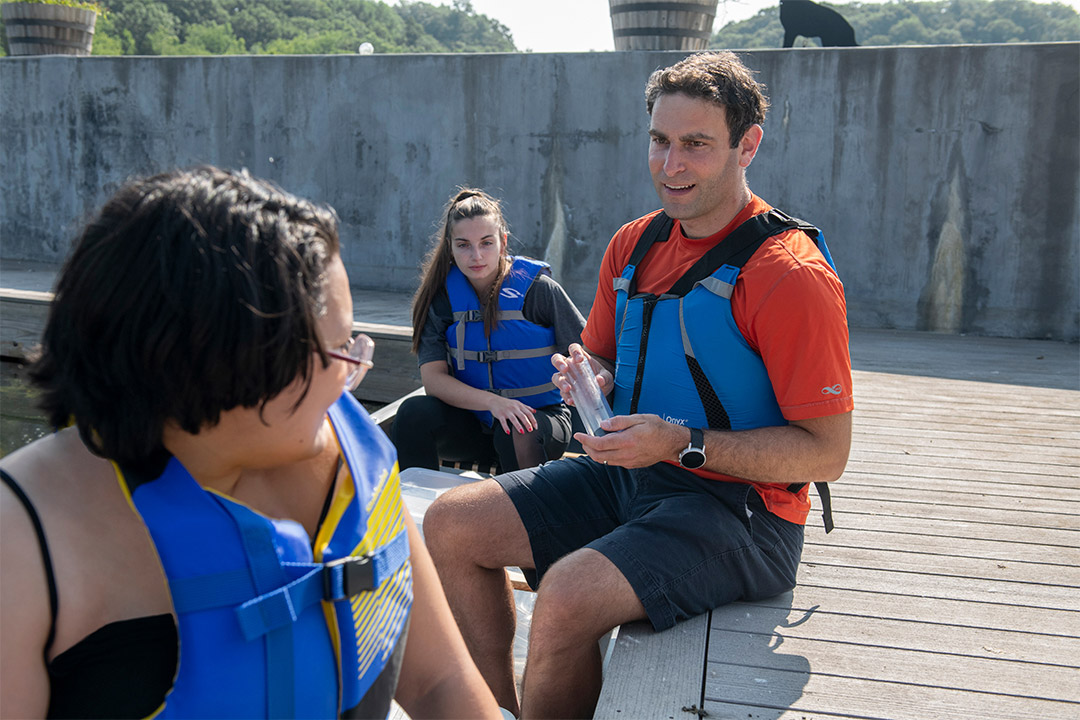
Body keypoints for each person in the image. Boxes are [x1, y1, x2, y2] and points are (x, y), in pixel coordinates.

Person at [423, 51, 854, 719]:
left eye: (695, 145)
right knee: (450, 524)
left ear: (748, 146)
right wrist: (586, 380)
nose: (670, 164)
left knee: (566, 594)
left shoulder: (790, 275)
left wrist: (681, 443)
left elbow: (827, 453)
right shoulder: (633, 245)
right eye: (659, 140)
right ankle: (494, 711)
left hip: (741, 515)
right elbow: (600, 358)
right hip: (631, 473)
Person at [0, 166, 501, 719]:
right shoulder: (22, 540)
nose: (353, 374)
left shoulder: (351, 464)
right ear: (222, 360)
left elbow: (441, 682)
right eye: (338, 352)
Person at [391, 189, 585, 473]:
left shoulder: (539, 291)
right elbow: (433, 381)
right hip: (472, 424)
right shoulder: (441, 299)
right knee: (412, 414)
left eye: (486, 243)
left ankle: (520, 513)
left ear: (502, 242)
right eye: (464, 245)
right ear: (450, 247)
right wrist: (494, 403)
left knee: (515, 428)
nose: (476, 255)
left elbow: (588, 356)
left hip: (538, 422)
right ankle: (416, 509)